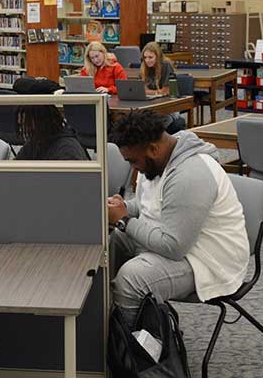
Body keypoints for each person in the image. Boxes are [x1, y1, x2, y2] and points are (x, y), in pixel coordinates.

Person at [106, 110, 249, 323]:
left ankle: (128, 348)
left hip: (208, 259)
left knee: (132, 278)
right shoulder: (158, 161)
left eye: (133, 161)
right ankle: (101, 326)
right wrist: (123, 206)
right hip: (177, 241)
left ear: (153, 149)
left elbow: (173, 246)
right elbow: (149, 203)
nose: (132, 167)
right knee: (107, 243)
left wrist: (124, 220)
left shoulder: (189, 174)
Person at [15, 78, 87, 160]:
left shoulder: (67, 149)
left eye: (25, 119)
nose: (19, 121)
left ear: (39, 119)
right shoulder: (36, 142)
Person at [139, 42, 187, 133]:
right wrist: (154, 92)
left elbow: (166, 91)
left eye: (150, 57)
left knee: (152, 124)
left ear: (158, 57)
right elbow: (141, 89)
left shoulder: (165, 64)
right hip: (151, 104)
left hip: (169, 107)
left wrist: (149, 92)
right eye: (145, 57)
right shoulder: (144, 67)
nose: (147, 60)